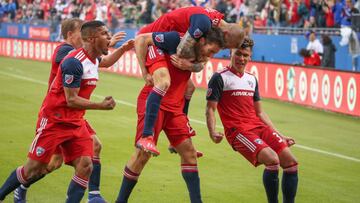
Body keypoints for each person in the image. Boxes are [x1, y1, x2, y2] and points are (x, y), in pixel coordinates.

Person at [11, 18, 134, 203]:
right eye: (81, 33)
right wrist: (102, 45)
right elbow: (79, 71)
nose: (84, 37)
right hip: (57, 114)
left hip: (74, 116)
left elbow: (102, 60)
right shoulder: (66, 52)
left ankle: (93, 195)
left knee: (88, 153)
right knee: (44, 165)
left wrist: (109, 45)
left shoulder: (85, 53)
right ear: (72, 35)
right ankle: (21, 186)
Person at [115, 27, 225, 203]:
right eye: (210, 51)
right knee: (142, 155)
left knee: (189, 153)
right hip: (154, 103)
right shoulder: (172, 41)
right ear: (203, 41)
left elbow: (192, 79)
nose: (209, 56)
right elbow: (142, 39)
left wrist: (191, 66)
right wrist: (145, 72)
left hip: (175, 108)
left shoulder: (197, 54)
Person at [135, 6, 246, 156]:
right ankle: (146, 136)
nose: (223, 48)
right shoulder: (204, 24)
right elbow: (182, 52)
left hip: (168, 40)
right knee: (163, 82)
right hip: (152, 40)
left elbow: (199, 62)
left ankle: (179, 135)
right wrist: (145, 72)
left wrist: (192, 64)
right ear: (225, 34)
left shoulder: (215, 26)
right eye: (226, 45)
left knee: (189, 88)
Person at [205, 38, 299, 203]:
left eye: (245, 55)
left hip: (258, 127)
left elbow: (260, 112)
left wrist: (280, 135)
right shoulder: (219, 78)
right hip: (238, 132)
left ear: (250, 56)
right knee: (272, 160)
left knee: (291, 163)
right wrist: (212, 132)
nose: (242, 58)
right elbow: (210, 109)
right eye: (238, 54)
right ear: (230, 53)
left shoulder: (252, 79)